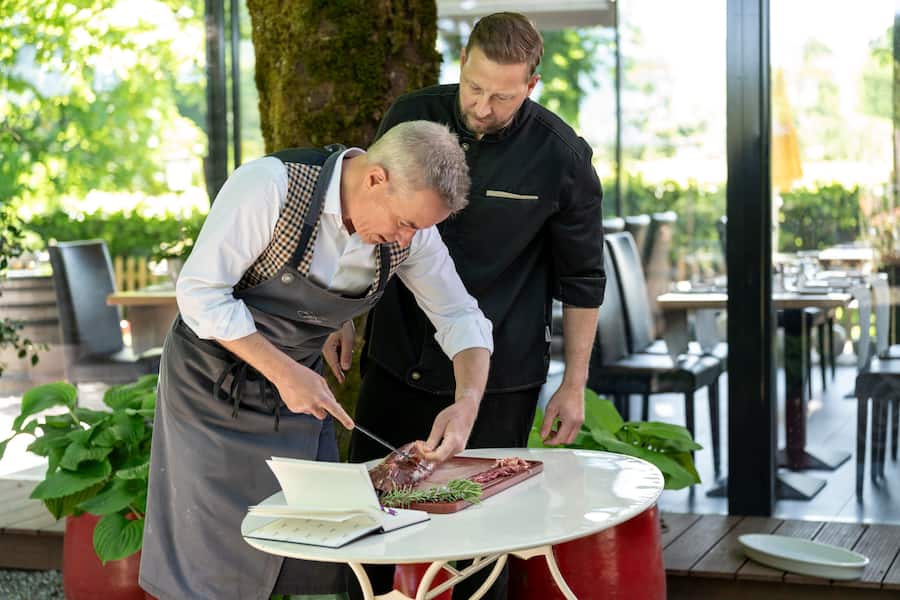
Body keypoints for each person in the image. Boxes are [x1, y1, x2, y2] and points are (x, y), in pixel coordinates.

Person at [139, 120, 494, 600]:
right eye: (406, 223)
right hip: (208, 389)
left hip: (300, 399)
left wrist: (467, 400)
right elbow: (199, 295)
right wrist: (285, 371)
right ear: (375, 179)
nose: (409, 240)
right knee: (209, 560)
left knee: (319, 543)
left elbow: (459, 314)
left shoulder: (410, 235)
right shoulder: (270, 186)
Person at [326, 12, 605, 600]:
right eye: (474, 87)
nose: (482, 106)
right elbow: (364, 216)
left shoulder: (561, 156)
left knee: (481, 549)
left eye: (502, 96)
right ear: (462, 66)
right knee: (368, 531)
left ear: (531, 85)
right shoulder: (409, 114)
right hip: (397, 358)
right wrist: (342, 313)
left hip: (498, 378)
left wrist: (573, 383)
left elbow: (582, 279)